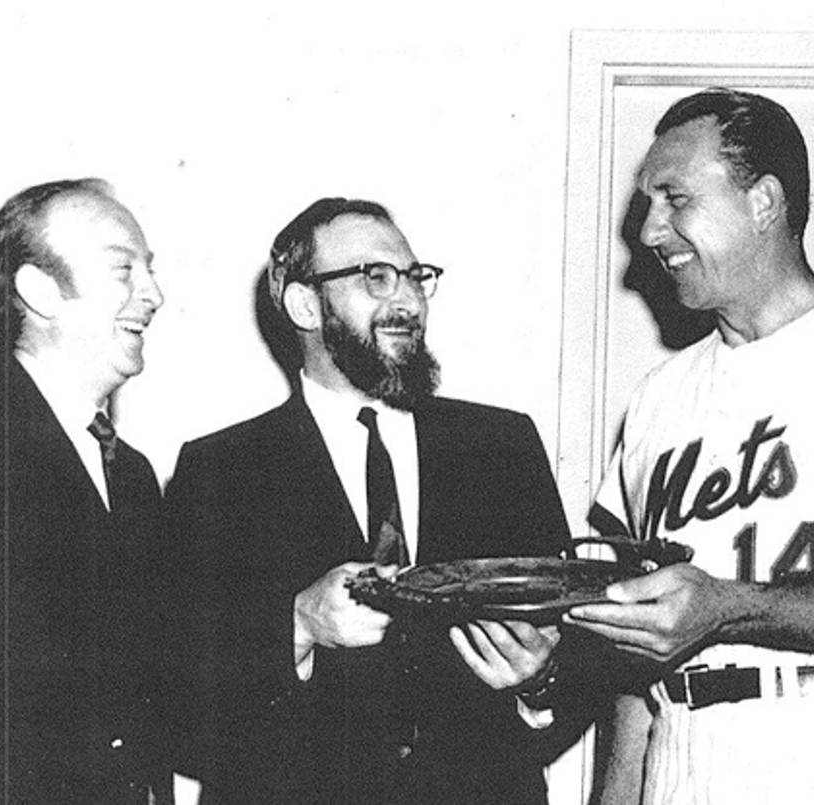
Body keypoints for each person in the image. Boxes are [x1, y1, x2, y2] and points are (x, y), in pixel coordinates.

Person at [564, 88, 814, 804]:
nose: (652, 231)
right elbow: (632, 657)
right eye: (649, 205)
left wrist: (729, 606)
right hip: (685, 756)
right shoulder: (659, 396)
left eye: (674, 198)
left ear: (764, 202)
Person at [163, 198, 574, 804]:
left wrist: (540, 685)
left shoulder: (501, 445)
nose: (408, 301)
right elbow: (173, 697)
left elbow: (585, 644)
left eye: (415, 277)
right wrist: (296, 627)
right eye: (374, 277)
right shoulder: (220, 471)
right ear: (305, 303)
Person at [0, 178, 170, 802]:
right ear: (39, 289)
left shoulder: (131, 475)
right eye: (124, 269)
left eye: (149, 270)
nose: (153, 294)